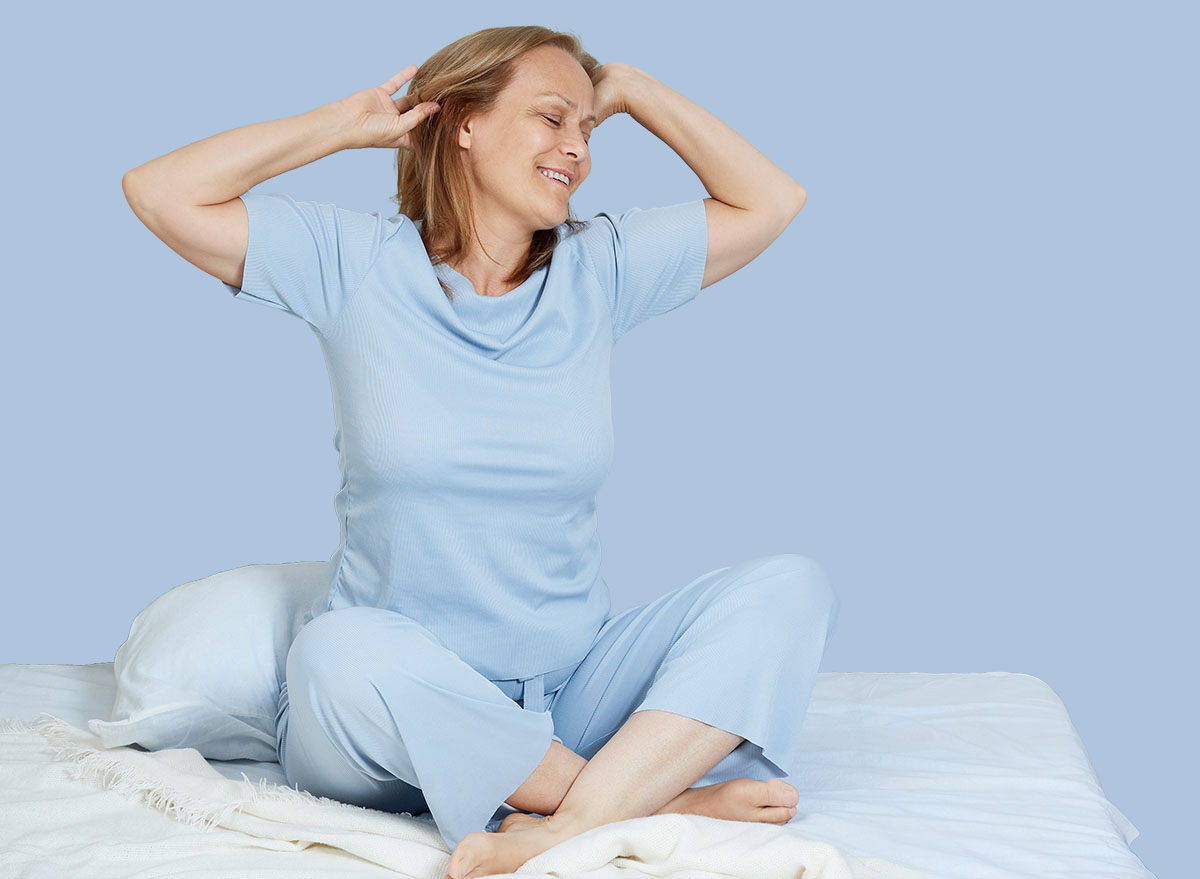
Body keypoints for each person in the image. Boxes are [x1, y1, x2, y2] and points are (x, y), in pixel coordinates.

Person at [122, 25, 838, 879]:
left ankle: (563, 815)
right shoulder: (352, 263)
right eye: (550, 118)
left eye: (587, 130)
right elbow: (159, 190)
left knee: (790, 587)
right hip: (381, 722)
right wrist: (342, 123)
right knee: (338, 650)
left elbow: (773, 199)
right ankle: (641, 800)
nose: (577, 148)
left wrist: (635, 89)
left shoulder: (598, 270)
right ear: (463, 123)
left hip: (566, 693)